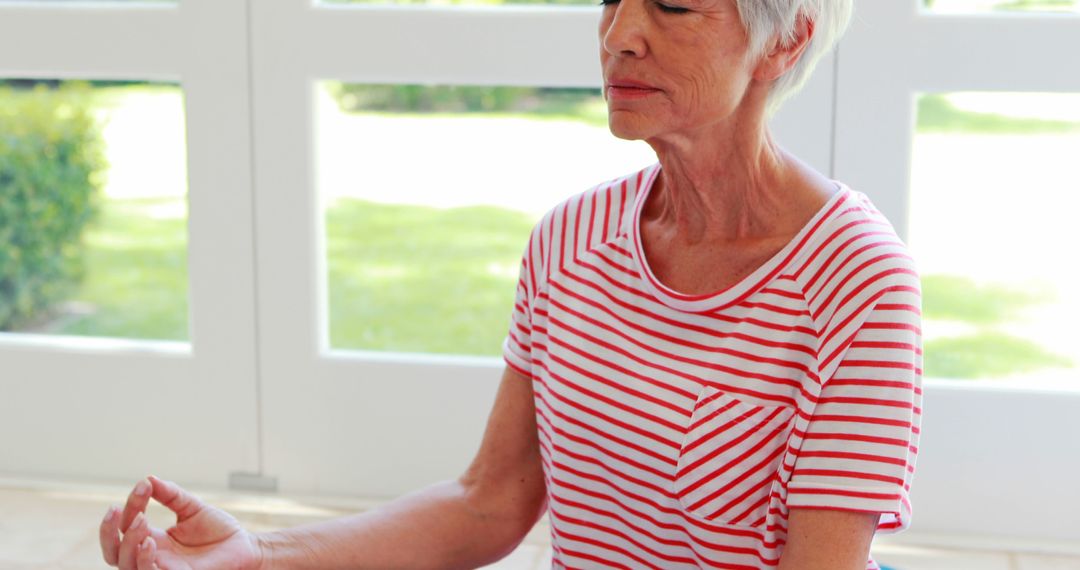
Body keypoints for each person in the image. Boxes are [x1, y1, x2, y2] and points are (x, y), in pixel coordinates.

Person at [99, 0, 923, 568]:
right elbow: (489, 503)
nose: (620, 33)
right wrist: (259, 553)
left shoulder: (855, 282)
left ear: (785, 40)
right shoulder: (569, 242)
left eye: (673, 5)